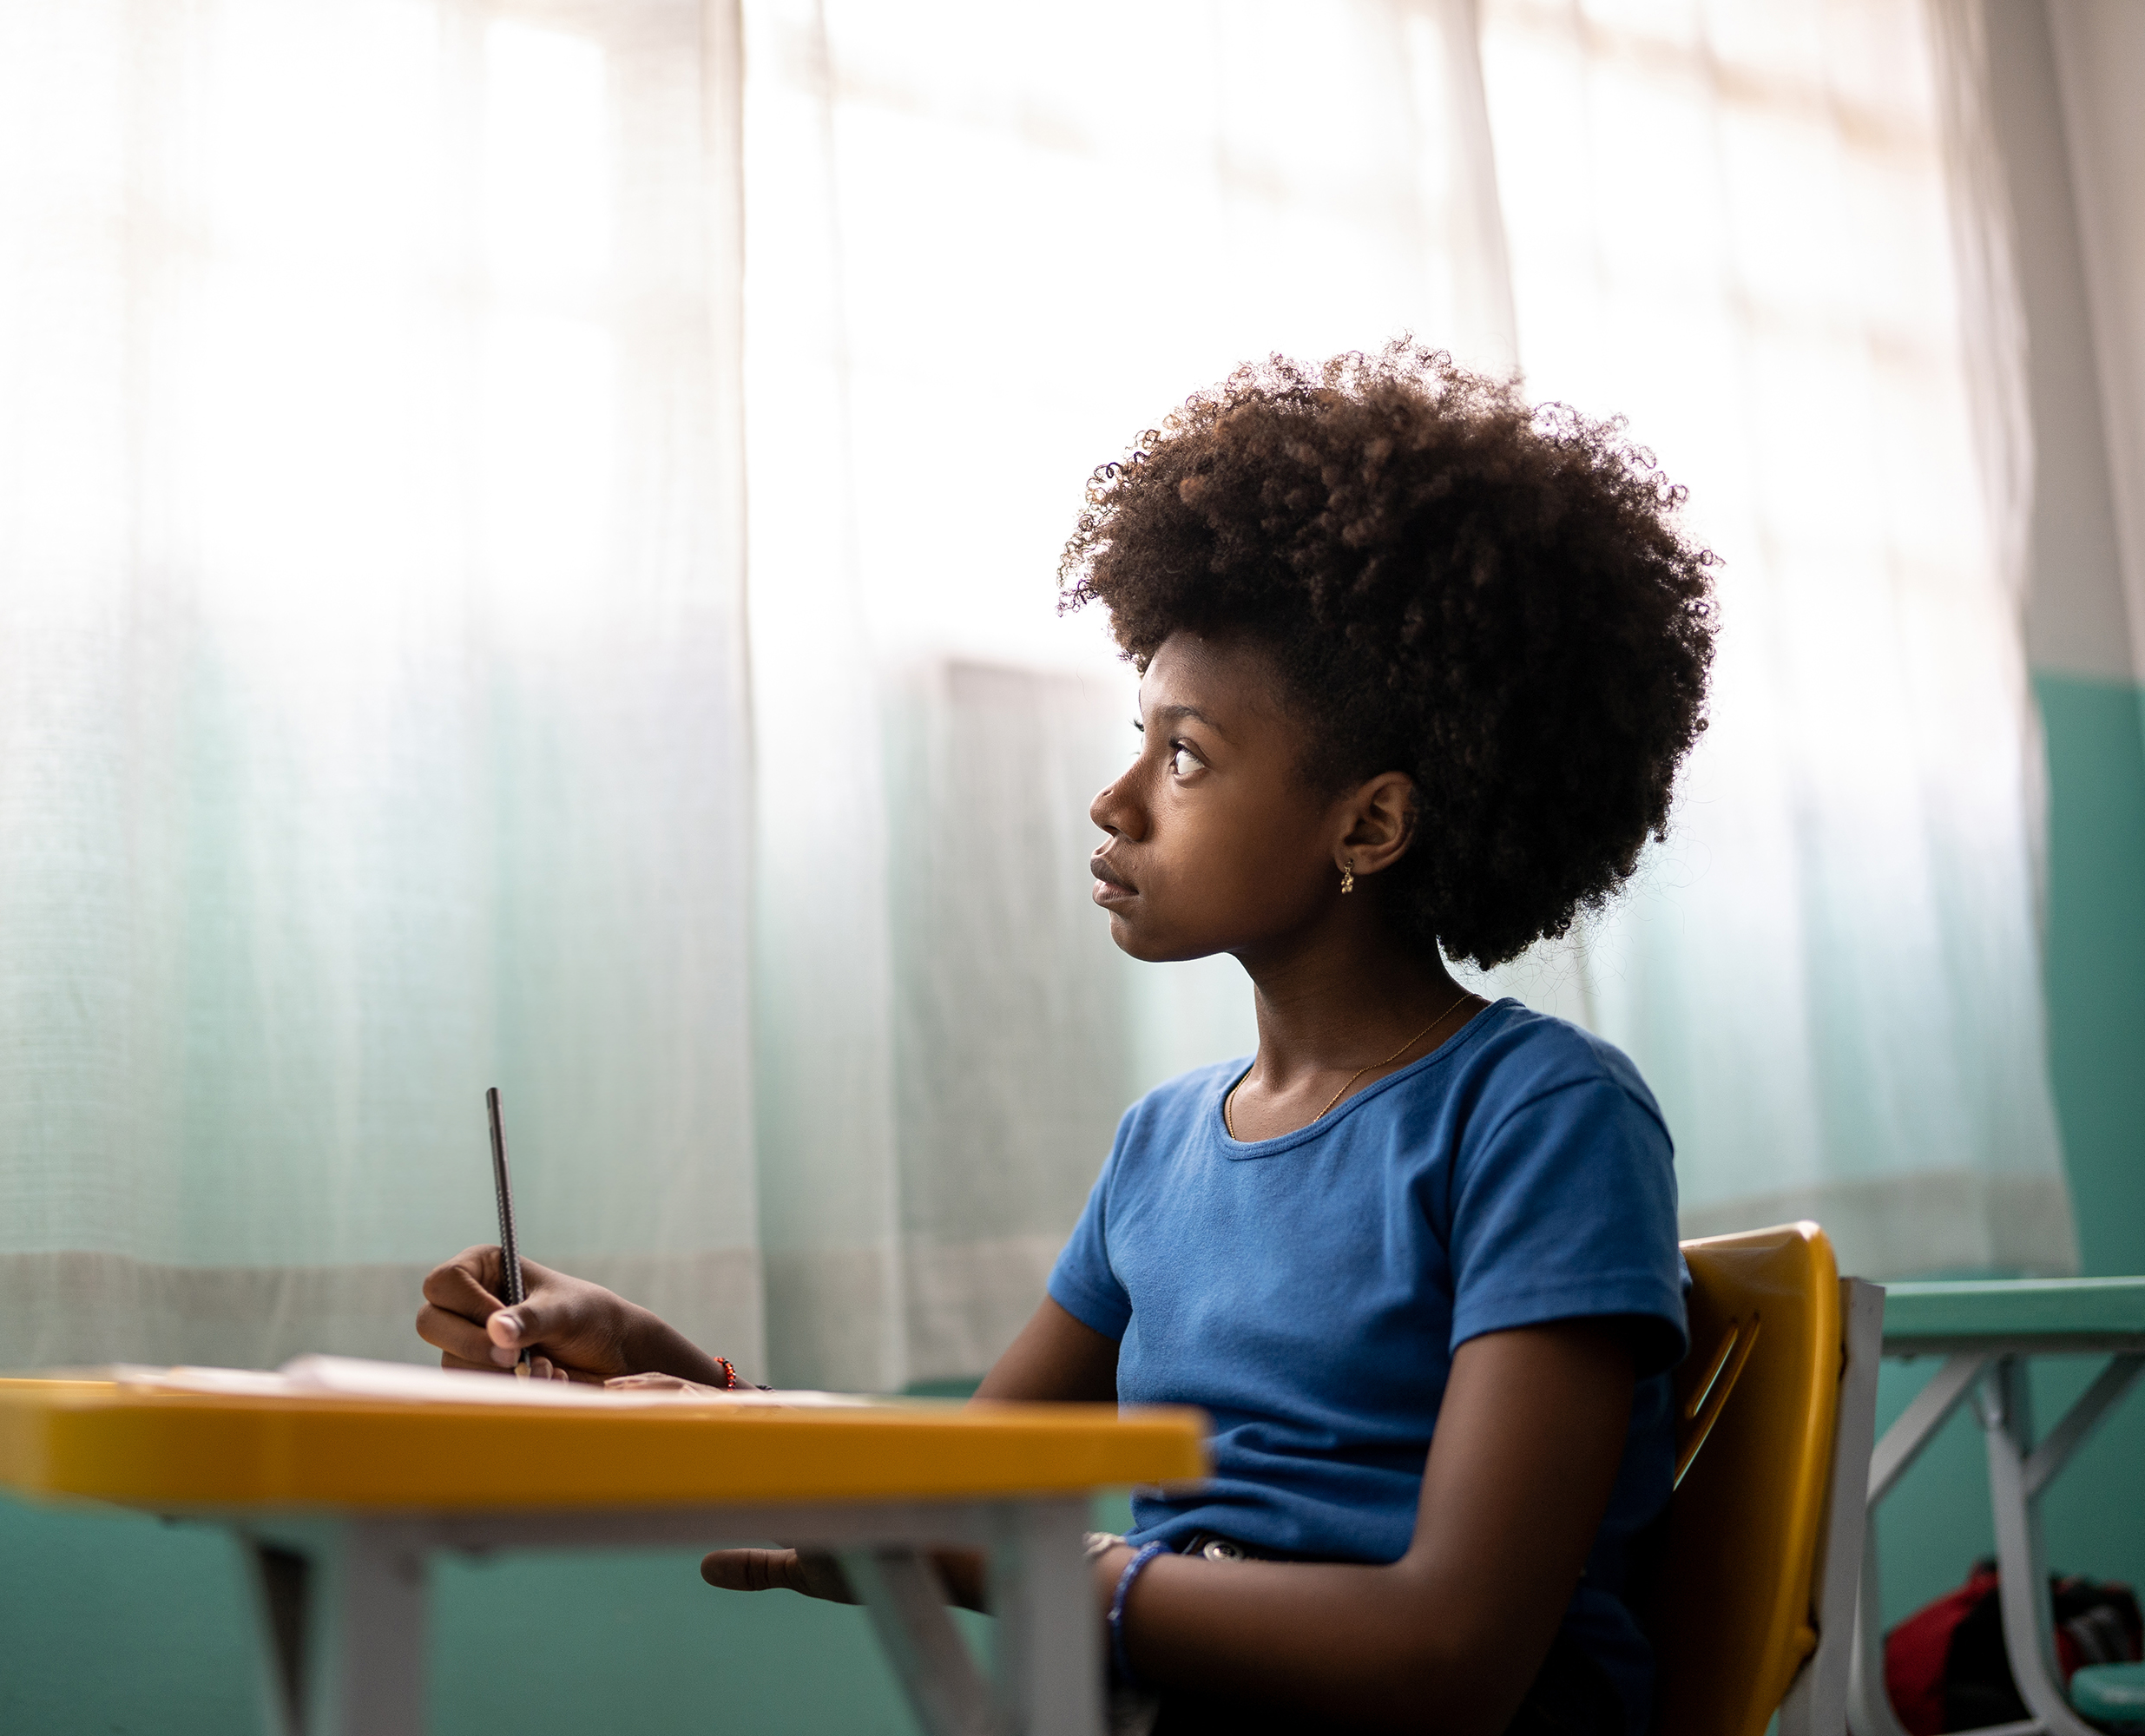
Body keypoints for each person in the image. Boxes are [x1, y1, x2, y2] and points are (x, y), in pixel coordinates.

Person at [418, 341, 1717, 1736]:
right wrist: (672, 1371)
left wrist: (1035, 1562)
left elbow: (1446, 1654)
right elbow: (971, 1487)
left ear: (1371, 824)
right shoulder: (1163, 1148)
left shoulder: (1545, 1118)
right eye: (1135, 739)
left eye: (1186, 756)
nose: (1113, 800)